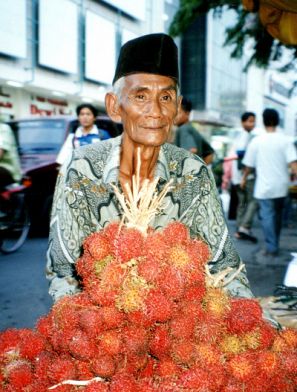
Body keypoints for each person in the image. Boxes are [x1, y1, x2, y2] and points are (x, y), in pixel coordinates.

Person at [46, 33, 252, 302]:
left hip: (182, 325)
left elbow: (224, 264)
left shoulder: (193, 171)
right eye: (140, 96)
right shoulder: (82, 169)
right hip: (104, 318)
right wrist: (89, 320)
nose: (155, 111)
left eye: (166, 98)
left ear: (177, 108)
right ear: (114, 106)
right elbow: (64, 272)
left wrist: (252, 319)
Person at [242, 108, 297, 256]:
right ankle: (274, 243)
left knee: (267, 216)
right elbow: (294, 164)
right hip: (282, 187)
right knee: (277, 216)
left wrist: (243, 179)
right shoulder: (286, 140)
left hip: (264, 188)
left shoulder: (257, 141)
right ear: (278, 121)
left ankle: (271, 246)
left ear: (264, 121)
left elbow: (248, 166)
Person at [230, 112, 258, 242]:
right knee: (253, 201)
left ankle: (238, 229)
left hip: (238, 176)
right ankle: (244, 227)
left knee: (242, 203)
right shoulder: (246, 137)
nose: (252, 123)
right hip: (245, 176)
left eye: (254, 121)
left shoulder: (240, 136)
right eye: (250, 121)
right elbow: (242, 157)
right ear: (243, 123)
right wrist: (244, 177)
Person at [174, 98, 214, 165]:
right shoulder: (193, 130)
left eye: (177, 112)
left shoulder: (183, 129)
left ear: (187, 113)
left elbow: (192, 150)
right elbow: (210, 153)